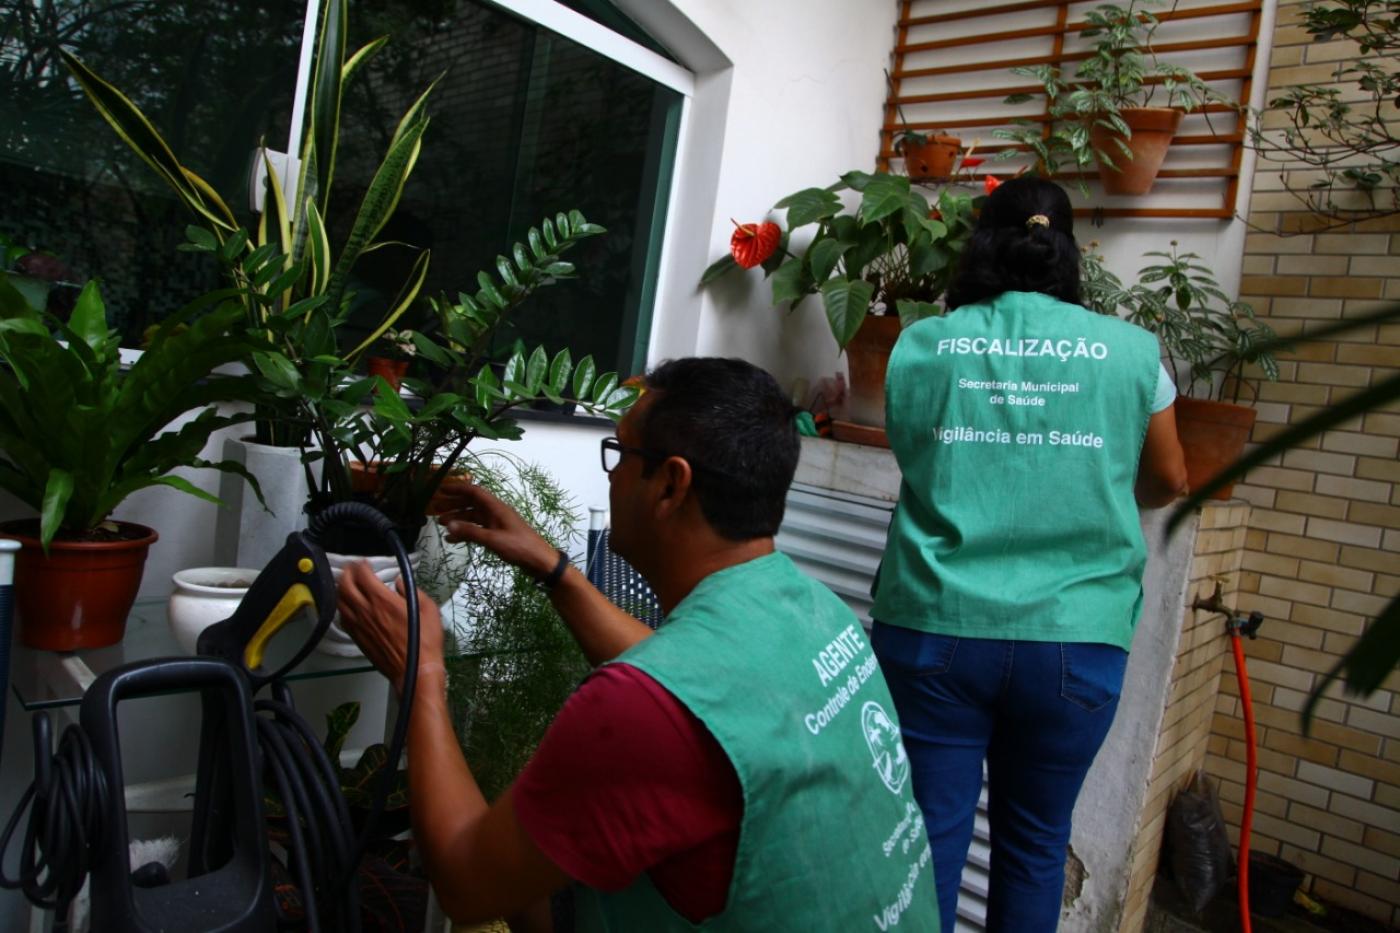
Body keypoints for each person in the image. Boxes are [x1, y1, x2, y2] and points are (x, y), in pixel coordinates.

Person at [337, 356, 940, 931]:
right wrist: (554, 567)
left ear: (670, 485)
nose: (613, 471)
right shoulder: (815, 610)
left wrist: (419, 677)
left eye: (619, 453)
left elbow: (467, 885)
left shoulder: (646, 705)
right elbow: (692, 684)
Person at [869, 176, 1188, 932]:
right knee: (1037, 844)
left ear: (983, 244)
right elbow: (1170, 477)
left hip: (935, 629)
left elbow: (917, 451)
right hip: (1076, 641)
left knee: (930, 837)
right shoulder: (1133, 354)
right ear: (1069, 253)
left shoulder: (923, 344)